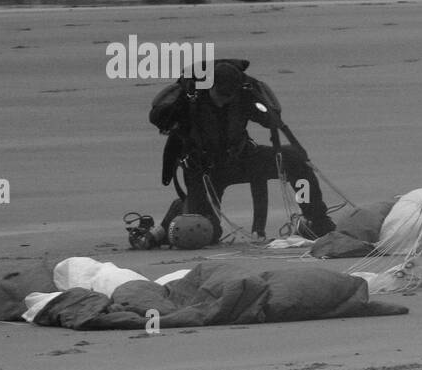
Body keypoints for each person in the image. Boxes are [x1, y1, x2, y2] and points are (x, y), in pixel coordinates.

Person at [142, 61, 335, 247]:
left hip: (241, 159)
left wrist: (266, 111)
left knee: (294, 160)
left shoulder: (244, 96)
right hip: (203, 171)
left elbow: (271, 121)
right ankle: (175, 214)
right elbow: (160, 121)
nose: (224, 100)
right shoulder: (190, 99)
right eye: (220, 94)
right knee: (203, 233)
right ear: (210, 85)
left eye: (229, 95)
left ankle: (315, 218)